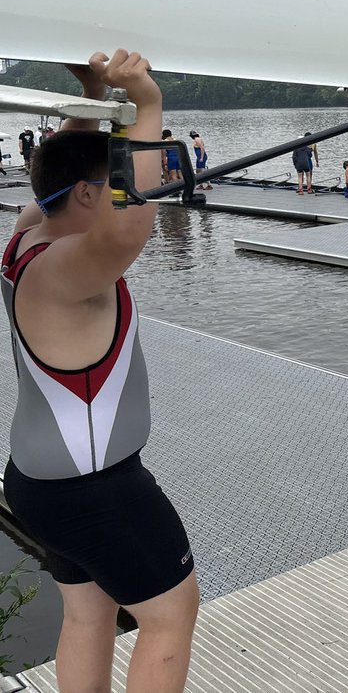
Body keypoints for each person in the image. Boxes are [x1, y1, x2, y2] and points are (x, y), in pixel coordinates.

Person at [1, 50, 199, 692]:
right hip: (96, 489)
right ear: (91, 194)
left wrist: (88, 101)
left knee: (90, 614)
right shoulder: (68, 271)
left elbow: (56, 178)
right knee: (170, 614)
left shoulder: (28, 236)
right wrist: (147, 108)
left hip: (40, 484)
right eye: (105, 188)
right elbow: (124, 234)